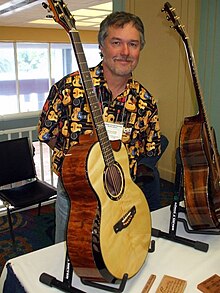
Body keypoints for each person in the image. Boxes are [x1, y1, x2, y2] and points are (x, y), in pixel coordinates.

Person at [38, 11, 167, 244]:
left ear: (140, 50)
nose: (125, 52)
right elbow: (47, 134)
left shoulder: (145, 101)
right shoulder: (68, 88)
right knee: (67, 257)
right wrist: (78, 161)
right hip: (76, 198)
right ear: (101, 46)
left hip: (121, 199)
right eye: (116, 42)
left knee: (118, 257)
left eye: (133, 44)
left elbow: (149, 150)